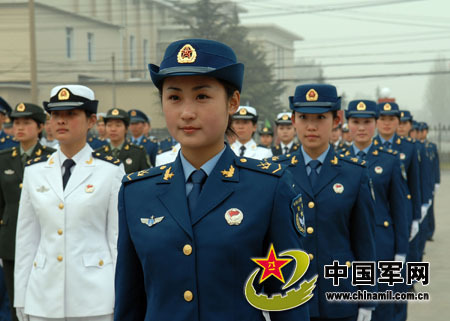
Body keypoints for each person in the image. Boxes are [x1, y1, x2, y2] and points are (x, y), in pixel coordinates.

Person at [114, 38, 309, 321]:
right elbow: (129, 303)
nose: (187, 112)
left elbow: (288, 302)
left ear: (233, 102)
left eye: (202, 96)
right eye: (174, 97)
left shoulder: (268, 188)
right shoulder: (137, 192)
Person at [14, 85, 124, 321]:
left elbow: (117, 239)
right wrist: (21, 297)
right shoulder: (35, 171)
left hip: (95, 298)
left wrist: (121, 295)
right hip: (43, 297)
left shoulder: (110, 170)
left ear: (91, 120)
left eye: (71, 114)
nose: (61, 121)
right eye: (56, 115)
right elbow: (26, 240)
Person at [272, 84, 377, 321]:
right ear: (293, 120)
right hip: (290, 295)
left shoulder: (354, 174)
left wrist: (367, 300)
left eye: (320, 117)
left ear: (336, 119)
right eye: (303, 117)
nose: (311, 126)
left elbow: (364, 243)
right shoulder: (276, 172)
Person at [343, 100, 409, 321]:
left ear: (375, 124)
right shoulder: (338, 159)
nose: (361, 128)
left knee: (382, 306)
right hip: (347, 243)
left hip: (382, 243)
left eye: (367, 122)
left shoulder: (389, 161)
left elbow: (400, 209)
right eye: (355, 122)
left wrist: (401, 251)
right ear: (347, 124)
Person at [0, 103, 55, 321]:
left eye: (26, 123)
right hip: (11, 236)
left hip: (43, 236)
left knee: (43, 294)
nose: (19, 128)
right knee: (16, 298)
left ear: (40, 126)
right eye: (16, 123)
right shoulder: (3, 158)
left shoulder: (51, 157)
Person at [96, 108, 149, 173]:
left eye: (118, 125)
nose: (113, 129)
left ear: (126, 129)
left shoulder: (138, 153)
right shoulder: (99, 154)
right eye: (109, 125)